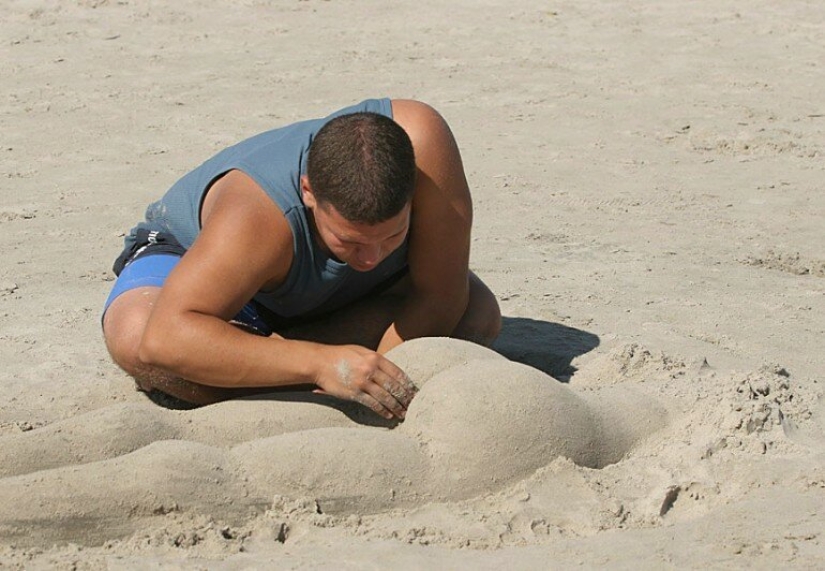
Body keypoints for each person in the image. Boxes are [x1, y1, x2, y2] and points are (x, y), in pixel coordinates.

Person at [102, 97, 501, 419]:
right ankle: (277, 363)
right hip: (205, 264)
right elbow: (162, 339)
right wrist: (321, 365)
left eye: (393, 235)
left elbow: (440, 296)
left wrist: (374, 379)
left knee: (476, 316)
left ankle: (257, 363)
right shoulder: (256, 215)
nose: (371, 257)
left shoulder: (424, 147)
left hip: (323, 293)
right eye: (349, 240)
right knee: (135, 339)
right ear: (309, 193)